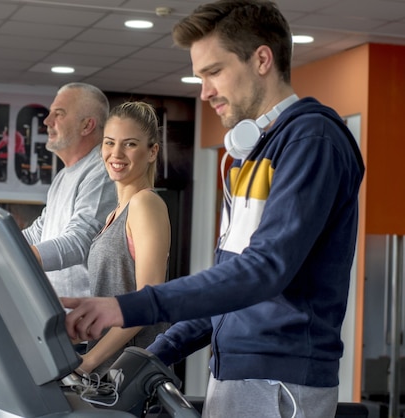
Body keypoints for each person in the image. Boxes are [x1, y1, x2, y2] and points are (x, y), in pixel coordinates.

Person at [62, 1, 365, 417]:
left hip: (280, 379)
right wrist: (155, 353)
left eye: (214, 72)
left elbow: (264, 271)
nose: (204, 91)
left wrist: (126, 306)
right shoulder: (249, 155)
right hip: (234, 370)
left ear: (261, 59)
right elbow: (232, 288)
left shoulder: (311, 140)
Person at [78, 101, 171, 376]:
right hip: (107, 372)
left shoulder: (145, 204)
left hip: (131, 375)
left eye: (129, 144)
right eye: (109, 143)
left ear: (152, 151)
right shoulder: (115, 214)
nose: (115, 153)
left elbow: (148, 303)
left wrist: (88, 362)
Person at [22, 82, 117, 298]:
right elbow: (40, 232)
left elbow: (80, 241)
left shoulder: (102, 171)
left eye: (59, 114)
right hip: (62, 315)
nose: (47, 121)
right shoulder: (63, 177)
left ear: (87, 126)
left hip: (90, 322)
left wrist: (16, 256)